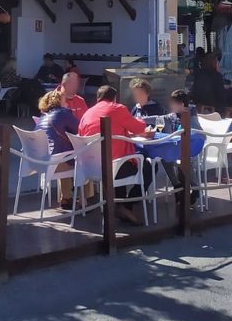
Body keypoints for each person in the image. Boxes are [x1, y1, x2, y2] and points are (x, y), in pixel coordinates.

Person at [78, 85, 152, 226]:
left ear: (98, 98)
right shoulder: (118, 108)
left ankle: (119, 204)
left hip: (90, 168)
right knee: (147, 167)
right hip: (112, 168)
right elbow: (139, 127)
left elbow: (81, 136)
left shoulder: (87, 113)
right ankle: (127, 204)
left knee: (121, 157)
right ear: (114, 98)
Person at [35, 89, 79, 210]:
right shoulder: (62, 113)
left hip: (40, 162)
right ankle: (85, 199)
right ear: (59, 101)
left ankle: (66, 197)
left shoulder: (42, 119)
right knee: (84, 161)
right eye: (65, 100)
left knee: (62, 155)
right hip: (55, 163)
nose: (67, 103)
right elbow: (80, 129)